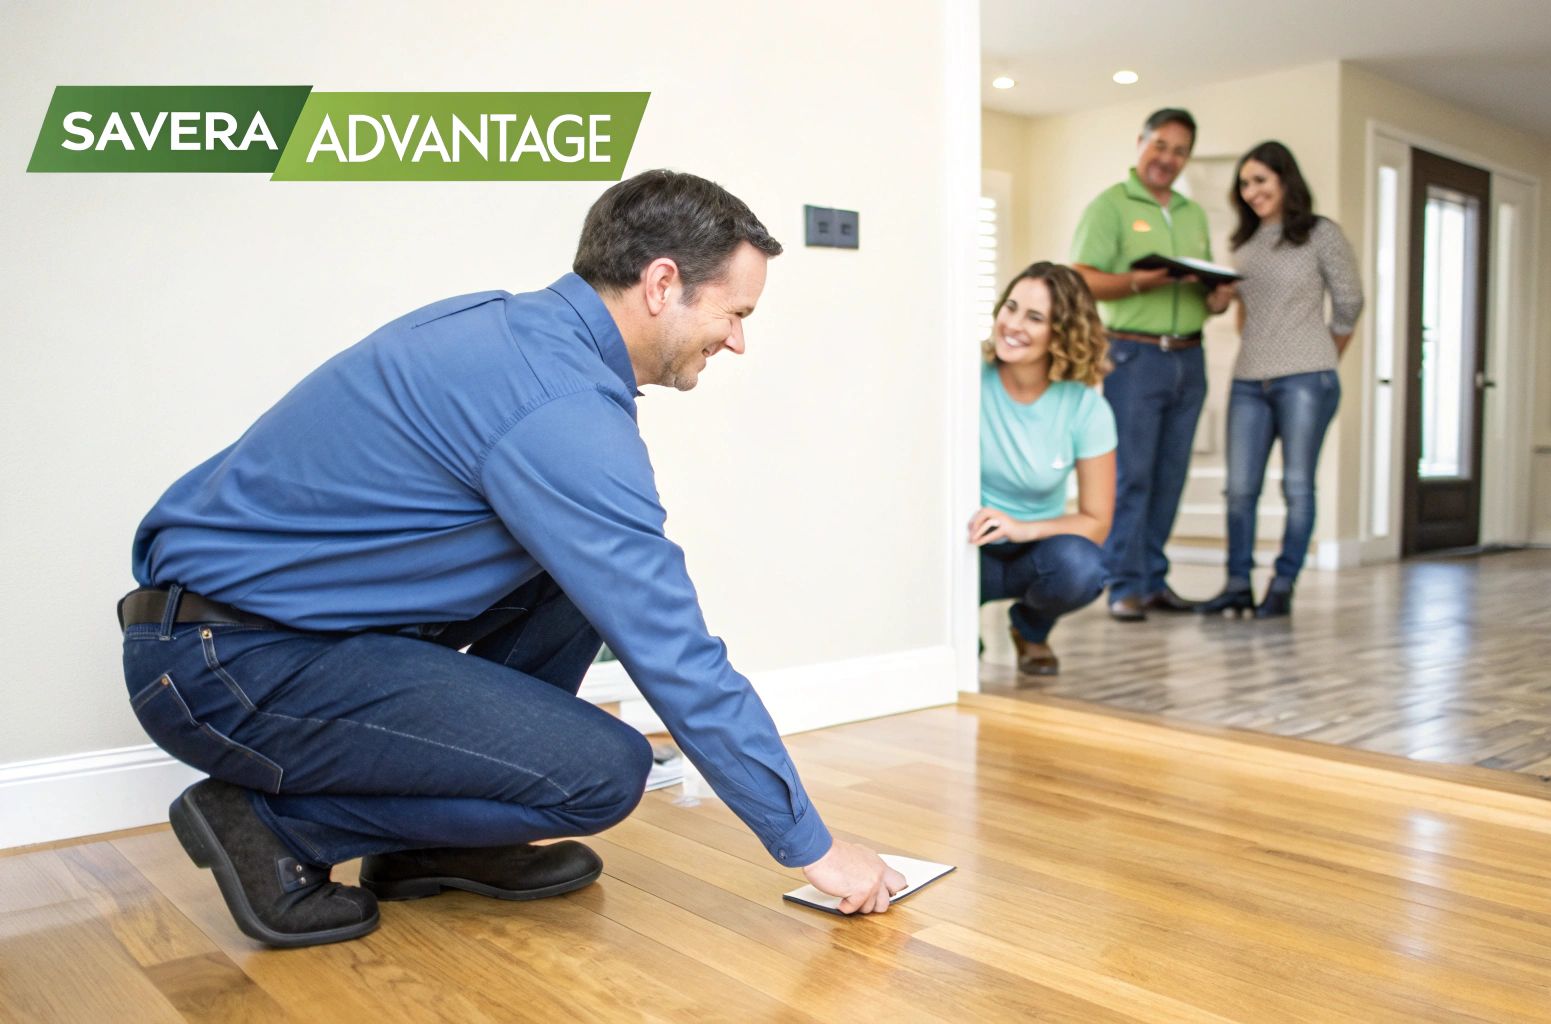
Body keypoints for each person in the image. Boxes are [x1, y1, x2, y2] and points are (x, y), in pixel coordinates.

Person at [119, 169, 907, 949]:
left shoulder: (509, 333)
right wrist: (813, 846)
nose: (738, 338)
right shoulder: (557, 407)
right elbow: (673, 651)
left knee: (572, 581)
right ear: (664, 283)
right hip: (228, 666)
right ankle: (271, 826)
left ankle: (431, 846)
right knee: (603, 772)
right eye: (735, 311)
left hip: (249, 636)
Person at [1069, 108, 1226, 622]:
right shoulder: (1111, 206)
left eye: (1180, 151)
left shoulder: (1193, 214)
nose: (1168, 159)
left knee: (1169, 476)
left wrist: (1218, 293)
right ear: (1140, 143)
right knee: (1131, 475)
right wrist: (1145, 281)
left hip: (1188, 355)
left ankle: (1154, 580)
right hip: (1133, 355)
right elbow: (1082, 278)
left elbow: (1204, 296)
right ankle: (1122, 583)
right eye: (1161, 145)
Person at [1195, 141, 1363, 619]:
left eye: (1260, 181)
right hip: (1249, 378)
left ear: (1285, 180)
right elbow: (1235, 312)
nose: (1251, 192)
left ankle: (1283, 584)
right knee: (1241, 488)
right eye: (1244, 184)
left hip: (1306, 378)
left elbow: (1350, 302)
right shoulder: (1243, 245)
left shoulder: (1319, 234)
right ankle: (1235, 584)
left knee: (1297, 486)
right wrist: (1218, 298)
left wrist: (1324, 356)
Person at [972, 262, 1116, 676]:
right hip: (969, 546)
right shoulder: (967, 378)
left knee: (1082, 567)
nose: (1013, 324)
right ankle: (959, 624)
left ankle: (1031, 629)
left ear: (1062, 333)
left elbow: (1096, 521)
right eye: (1011, 308)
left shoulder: (1086, 408)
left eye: (1035, 317)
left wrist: (1021, 528)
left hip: (1036, 548)